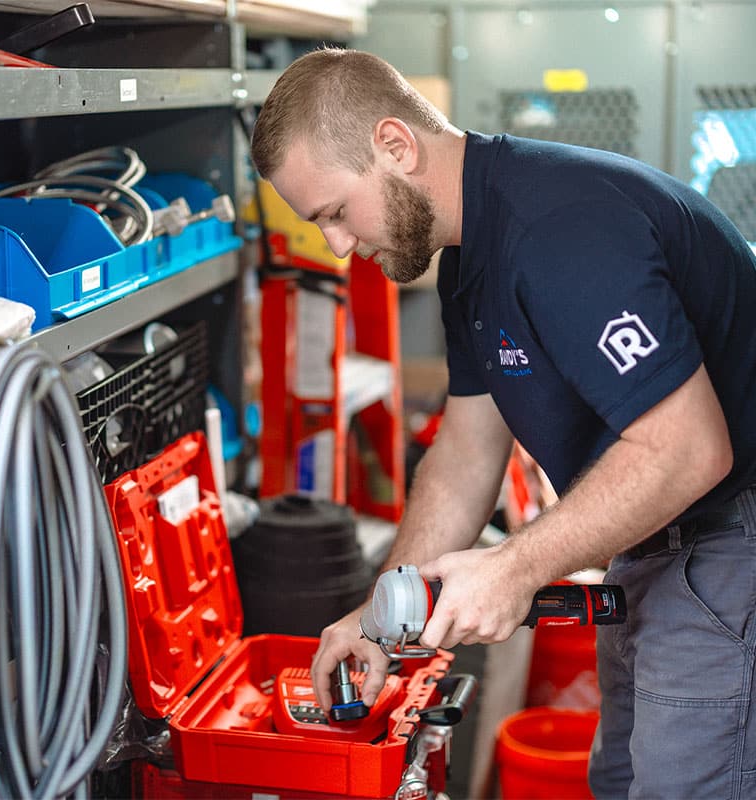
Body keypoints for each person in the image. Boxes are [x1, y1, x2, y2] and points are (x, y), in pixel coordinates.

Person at [250, 47, 756, 798]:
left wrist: (513, 568)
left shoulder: (561, 231)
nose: (338, 246)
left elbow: (690, 448)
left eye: (335, 213)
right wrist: (379, 614)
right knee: (618, 780)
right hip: (654, 544)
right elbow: (463, 452)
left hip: (728, 537)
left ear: (395, 144)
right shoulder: (469, 256)